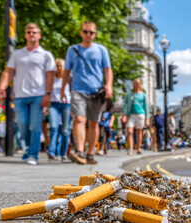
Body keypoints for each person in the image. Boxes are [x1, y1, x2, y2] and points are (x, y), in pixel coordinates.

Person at [0, 23, 55, 165]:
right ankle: (29, 148)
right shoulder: (17, 54)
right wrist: (2, 87)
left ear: (39, 35)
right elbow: (8, 72)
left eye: (34, 32)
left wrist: (48, 94)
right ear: (25, 35)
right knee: (22, 124)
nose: (31, 34)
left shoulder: (46, 55)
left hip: (38, 95)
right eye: (29, 32)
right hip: (20, 95)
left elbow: (50, 76)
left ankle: (33, 155)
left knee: (35, 125)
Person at [61, 21, 113, 165]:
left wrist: (108, 85)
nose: (88, 35)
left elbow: (107, 70)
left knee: (94, 123)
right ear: (81, 32)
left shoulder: (101, 50)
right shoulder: (72, 50)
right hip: (78, 90)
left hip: (96, 92)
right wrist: (62, 89)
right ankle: (80, 152)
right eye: (85, 32)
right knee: (79, 119)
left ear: (95, 34)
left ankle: (90, 153)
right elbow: (66, 71)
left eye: (91, 32)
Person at [46, 58, 72, 161]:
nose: (59, 68)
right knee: (53, 127)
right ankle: (52, 152)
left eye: (61, 66)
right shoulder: (51, 78)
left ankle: (63, 153)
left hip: (66, 104)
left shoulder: (69, 78)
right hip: (53, 104)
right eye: (57, 66)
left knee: (65, 130)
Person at [122, 79, 149, 155]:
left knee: (139, 132)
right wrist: (124, 115)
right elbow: (125, 106)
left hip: (141, 115)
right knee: (130, 131)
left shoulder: (143, 95)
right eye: (136, 83)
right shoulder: (129, 95)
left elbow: (146, 107)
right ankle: (130, 150)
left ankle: (138, 148)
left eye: (139, 83)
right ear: (133, 84)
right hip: (131, 115)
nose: (137, 84)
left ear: (140, 85)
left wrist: (147, 119)